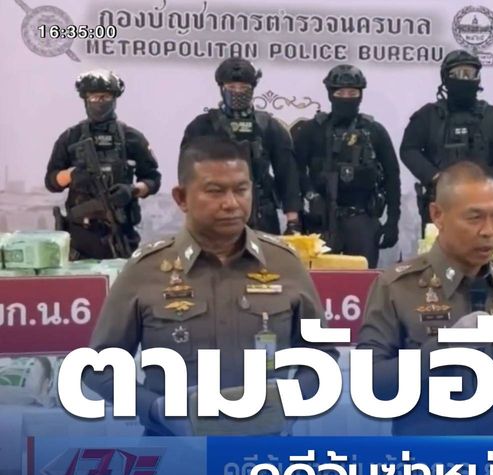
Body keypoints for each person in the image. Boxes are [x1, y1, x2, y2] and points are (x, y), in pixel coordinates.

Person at [83, 136, 338, 436]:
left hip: (266, 448)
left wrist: (292, 402)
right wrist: (155, 409)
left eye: (241, 190)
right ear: (181, 198)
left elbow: (323, 356)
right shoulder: (146, 269)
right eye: (215, 191)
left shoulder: (284, 263)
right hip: (176, 449)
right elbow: (98, 369)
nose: (231, 203)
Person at [356, 161, 493, 435]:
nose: (489, 230)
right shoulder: (398, 287)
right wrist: (442, 349)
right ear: (438, 215)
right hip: (425, 455)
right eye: (474, 218)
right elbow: (369, 384)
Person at [400, 50, 493, 236]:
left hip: (482, 202)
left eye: (470, 73)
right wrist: (434, 176)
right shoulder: (428, 116)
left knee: (481, 248)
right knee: (438, 250)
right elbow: (409, 149)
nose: (464, 79)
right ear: (445, 78)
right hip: (441, 199)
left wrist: (490, 177)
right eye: (457, 74)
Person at [292, 64, 401, 268]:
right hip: (321, 220)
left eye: (352, 93)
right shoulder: (312, 130)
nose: (346, 98)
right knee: (319, 279)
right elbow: (294, 170)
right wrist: (310, 196)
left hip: (362, 219)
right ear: (330, 94)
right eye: (340, 93)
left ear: (361, 95)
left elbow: (392, 177)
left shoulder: (374, 131)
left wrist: (393, 222)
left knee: (363, 280)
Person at [45, 69, 161, 260]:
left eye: (105, 97)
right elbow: (51, 181)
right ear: (85, 99)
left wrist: (132, 190)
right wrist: (71, 176)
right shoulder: (70, 137)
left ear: (114, 99)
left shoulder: (132, 137)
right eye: (94, 97)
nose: (99, 102)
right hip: (80, 236)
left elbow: (153, 179)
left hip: (121, 231)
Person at [181, 57, 301, 236]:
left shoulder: (268, 125)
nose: (237, 92)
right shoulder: (202, 126)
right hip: (215, 208)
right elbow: (187, 174)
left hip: (261, 211)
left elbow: (287, 173)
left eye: (243, 88)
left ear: (252, 89)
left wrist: (293, 220)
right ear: (221, 88)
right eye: (231, 87)